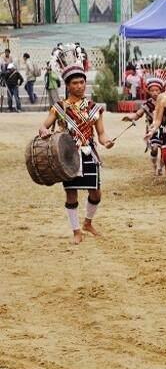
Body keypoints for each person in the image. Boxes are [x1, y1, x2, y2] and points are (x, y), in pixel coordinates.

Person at [37, 58, 114, 244]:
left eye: (82, 82)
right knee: (71, 193)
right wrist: (45, 131)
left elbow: (101, 134)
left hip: (89, 153)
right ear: (68, 85)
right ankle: (76, 231)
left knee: (96, 193)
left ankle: (88, 223)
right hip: (68, 156)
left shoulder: (94, 108)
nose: (80, 86)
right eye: (75, 83)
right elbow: (43, 127)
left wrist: (107, 142)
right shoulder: (59, 108)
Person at [122, 77, 166, 175]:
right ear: (149, 92)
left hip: (165, 129)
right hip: (152, 130)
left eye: (157, 90)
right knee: (154, 148)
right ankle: (155, 165)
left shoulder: (165, 102)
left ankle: (161, 167)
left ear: (161, 91)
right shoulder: (147, 104)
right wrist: (130, 118)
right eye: (152, 90)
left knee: (165, 151)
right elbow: (138, 114)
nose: (155, 93)